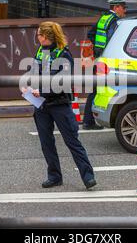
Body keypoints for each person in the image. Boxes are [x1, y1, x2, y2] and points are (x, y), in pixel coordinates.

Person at [22, 21, 97, 190]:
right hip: (42, 105)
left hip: (59, 103)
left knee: (72, 141)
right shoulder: (41, 51)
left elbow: (59, 81)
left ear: (47, 36)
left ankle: (88, 176)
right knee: (46, 142)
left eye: (39, 34)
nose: (37, 37)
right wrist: (29, 85)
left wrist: (40, 90)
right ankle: (54, 176)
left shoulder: (64, 54)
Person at [83, 0, 127, 130]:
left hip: (99, 58)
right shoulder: (115, 21)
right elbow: (114, 39)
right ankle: (89, 121)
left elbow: (90, 34)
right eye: (123, 8)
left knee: (95, 89)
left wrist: (98, 48)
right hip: (108, 60)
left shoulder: (103, 18)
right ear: (116, 7)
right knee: (99, 89)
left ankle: (88, 120)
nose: (125, 11)